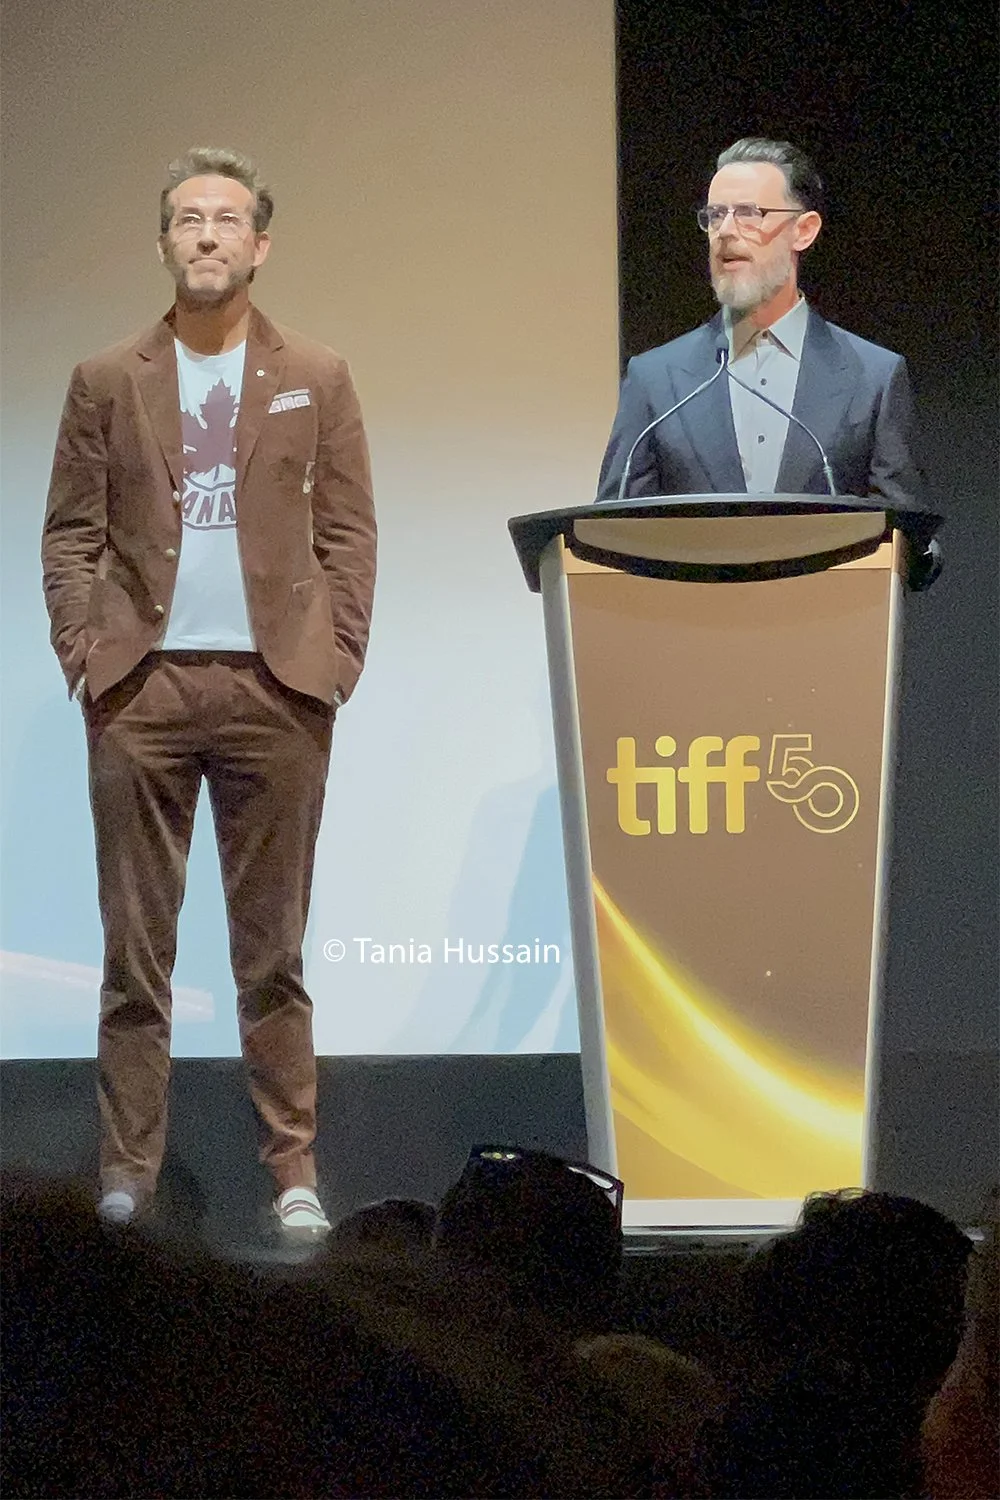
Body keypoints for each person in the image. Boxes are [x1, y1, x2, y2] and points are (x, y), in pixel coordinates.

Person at [41, 147, 377, 1237]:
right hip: (143, 688)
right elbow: (70, 532)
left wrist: (340, 661)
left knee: (271, 954)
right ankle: (127, 1178)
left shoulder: (315, 374)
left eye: (226, 220)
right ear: (162, 243)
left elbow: (349, 532)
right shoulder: (107, 377)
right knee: (134, 960)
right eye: (187, 220)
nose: (206, 237)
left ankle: (293, 1175)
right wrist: (84, 655)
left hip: (276, 691)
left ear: (259, 245)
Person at [597, 136, 923, 511]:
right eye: (715, 215)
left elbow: (905, 537)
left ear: (804, 231)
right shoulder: (655, 380)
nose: (726, 231)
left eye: (749, 213)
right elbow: (611, 532)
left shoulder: (873, 378)